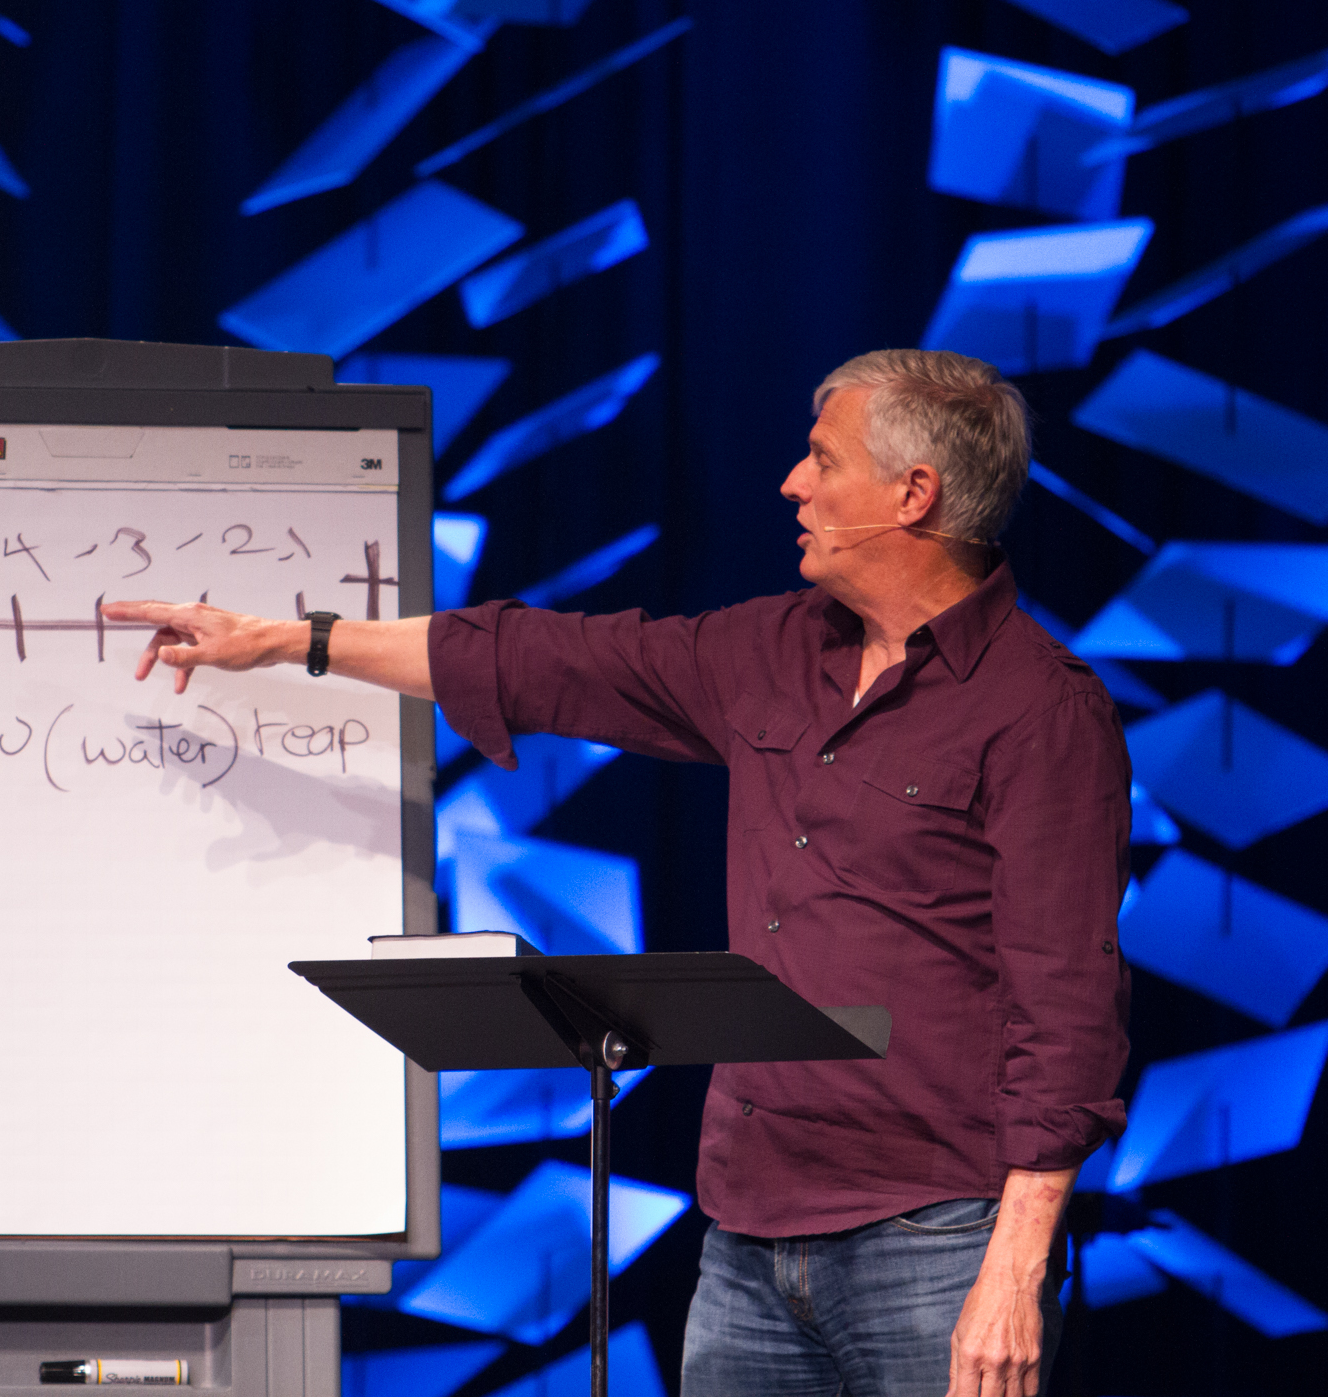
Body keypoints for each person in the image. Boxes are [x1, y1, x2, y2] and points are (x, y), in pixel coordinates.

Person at [104, 348, 1131, 1397]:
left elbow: (1069, 1011)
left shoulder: (1041, 711)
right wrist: (286, 639)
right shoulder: (774, 650)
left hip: (939, 1238)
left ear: (914, 494)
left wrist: (1016, 1267)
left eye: (824, 460)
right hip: (749, 1229)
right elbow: (542, 659)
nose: (793, 483)